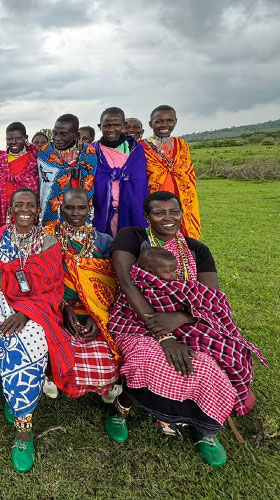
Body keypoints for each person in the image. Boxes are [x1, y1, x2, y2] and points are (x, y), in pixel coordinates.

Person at [106, 191, 265, 466]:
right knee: (148, 357)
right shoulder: (132, 237)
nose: (168, 219)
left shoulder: (197, 251)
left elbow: (209, 297)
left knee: (207, 363)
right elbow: (126, 281)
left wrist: (180, 319)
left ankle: (206, 428)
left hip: (187, 320)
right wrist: (163, 335)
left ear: (182, 213)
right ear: (147, 217)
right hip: (137, 318)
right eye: (159, 213)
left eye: (174, 212)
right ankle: (122, 409)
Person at [0, 188, 68, 473]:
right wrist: (7, 290)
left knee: (33, 341)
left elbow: (54, 287)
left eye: (30, 205)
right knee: (4, 336)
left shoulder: (49, 242)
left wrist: (26, 313)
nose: (24, 209)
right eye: (18, 205)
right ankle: (16, 402)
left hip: (38, 307)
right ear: (10, 210)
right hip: (1, 300)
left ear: (38, 211)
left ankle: (23, 427)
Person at [45, 189, 120, 401]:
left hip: (95, 309)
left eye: (81, 208)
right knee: (62, 357)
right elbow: (43, 279)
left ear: (90, 210)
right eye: (69, 207)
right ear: (60, 210)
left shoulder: (104, 241)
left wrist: (96, 315)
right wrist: (62, 306)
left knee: (104, 364)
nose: (75, 213)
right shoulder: (48, 238)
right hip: (58, 307)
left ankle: (104, 384)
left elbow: (108, 283)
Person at [140, 105, 200, 239]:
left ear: (175, 121)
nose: (164, 125)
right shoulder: (141, 146)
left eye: (169, 120)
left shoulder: (182, 145)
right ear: (151, 124)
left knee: (185, 236)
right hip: (154, 199)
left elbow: (188, 173)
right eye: (159, 121)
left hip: (183, 198)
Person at [92, 107, 149, 237]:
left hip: (132, 209)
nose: (111, 129)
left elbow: (140, 182)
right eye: (107, 125)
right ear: (100, 126)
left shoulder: (135, 149)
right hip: (102, 211)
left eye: (116, 125)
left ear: (124, 126)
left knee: (132, 247)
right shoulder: (93, 150)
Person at [37, 114, 97, 227]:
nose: (57, 138)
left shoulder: (88, 152)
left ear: (76, 135)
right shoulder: (45, 152)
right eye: (55, 133)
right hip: (52, 210)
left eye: (63, 134)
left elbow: (90, 181)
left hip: (79, 209)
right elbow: (45, 185)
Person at [0, 122, 40, 227]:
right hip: (3, 213)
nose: (13, 142)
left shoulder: (35, 159)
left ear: (25, 138)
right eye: (9, 139)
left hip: (27, 211)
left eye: (18, 138)